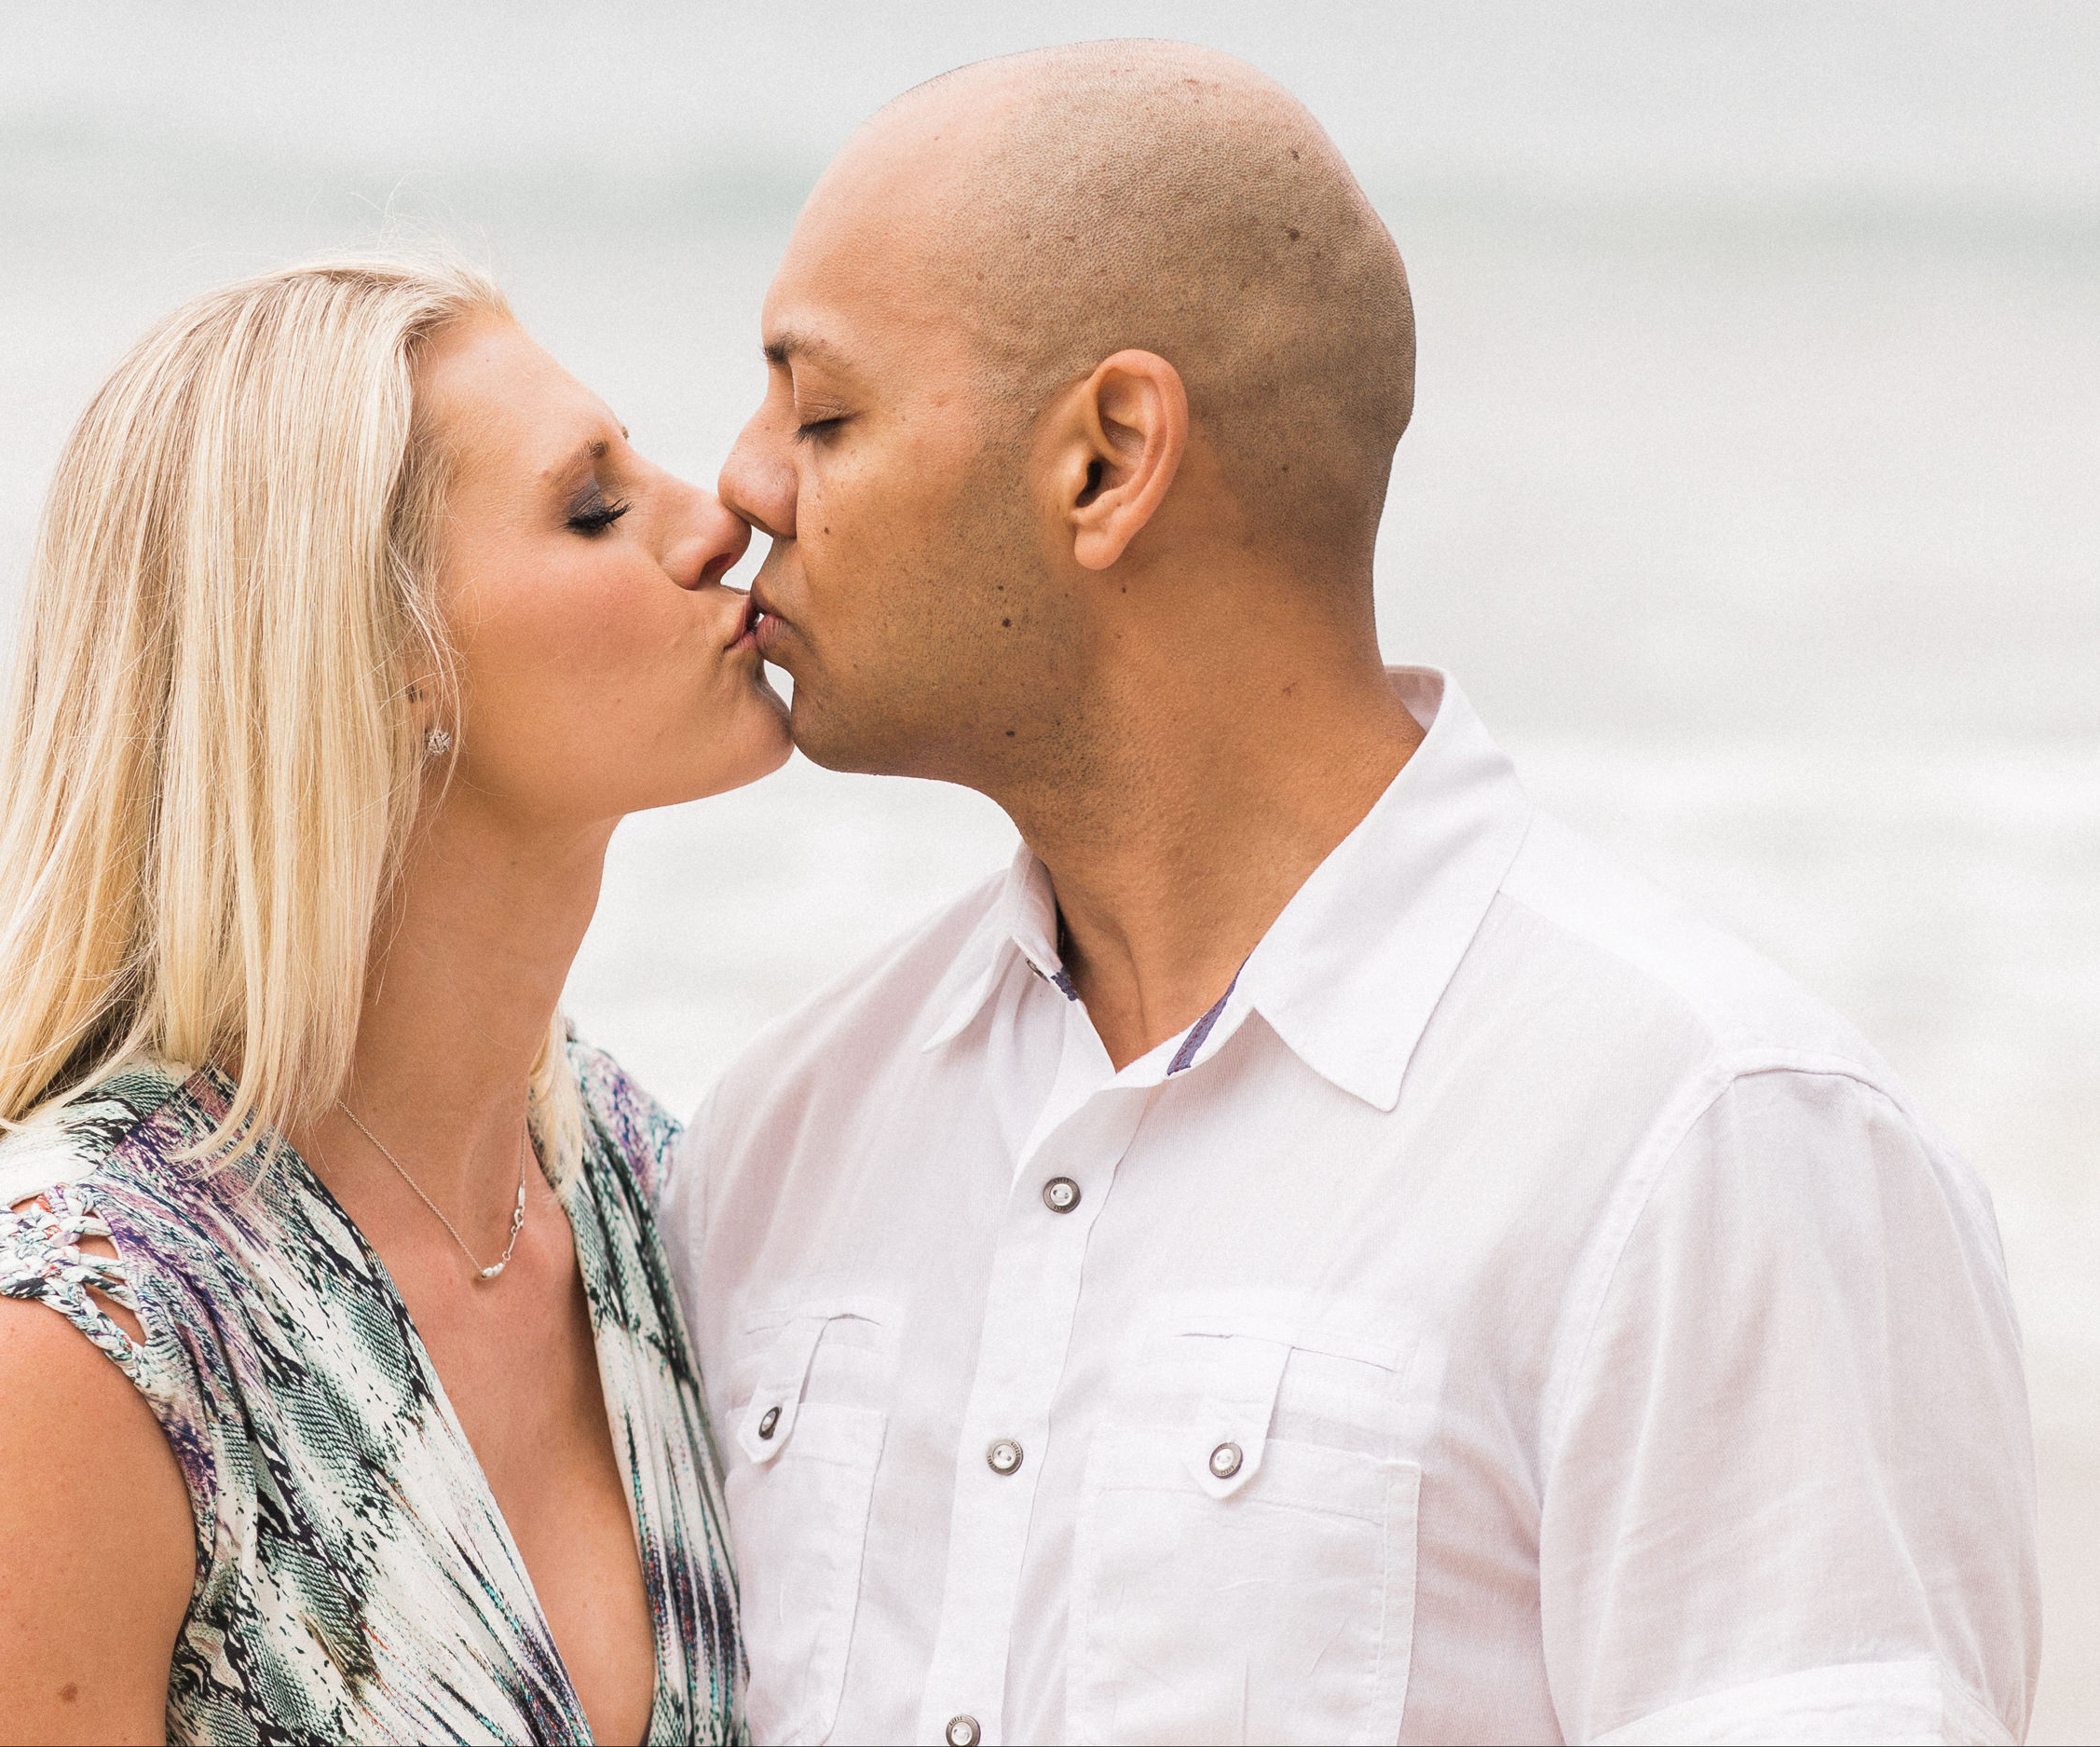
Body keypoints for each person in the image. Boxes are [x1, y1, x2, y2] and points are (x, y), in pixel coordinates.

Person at [672, 40, 2040, 1746]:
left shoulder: (1709, 1145)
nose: (742, 484)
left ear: (1106, 460)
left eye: (824, 412)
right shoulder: (779, 1139)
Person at [0, 258, 777, 1744]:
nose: (717, 518)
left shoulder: (650, 1190)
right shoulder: (53, 1344)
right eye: (594, 508)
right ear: (389, 655)